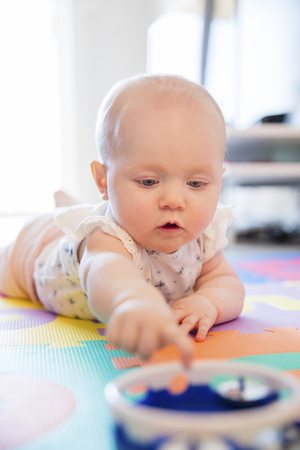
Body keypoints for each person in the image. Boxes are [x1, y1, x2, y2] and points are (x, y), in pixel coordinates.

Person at [0, 74, 245, 366]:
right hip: (32, 253)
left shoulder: (202, 238)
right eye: (149, 181)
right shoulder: (108, 238)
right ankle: (67, 212)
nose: (174, 201)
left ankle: (72, 205)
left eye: (196, 184)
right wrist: (132, 301)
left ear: (219, 179)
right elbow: (106, 272)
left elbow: (227, 283)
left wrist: (209, 302)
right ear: (103, 180)